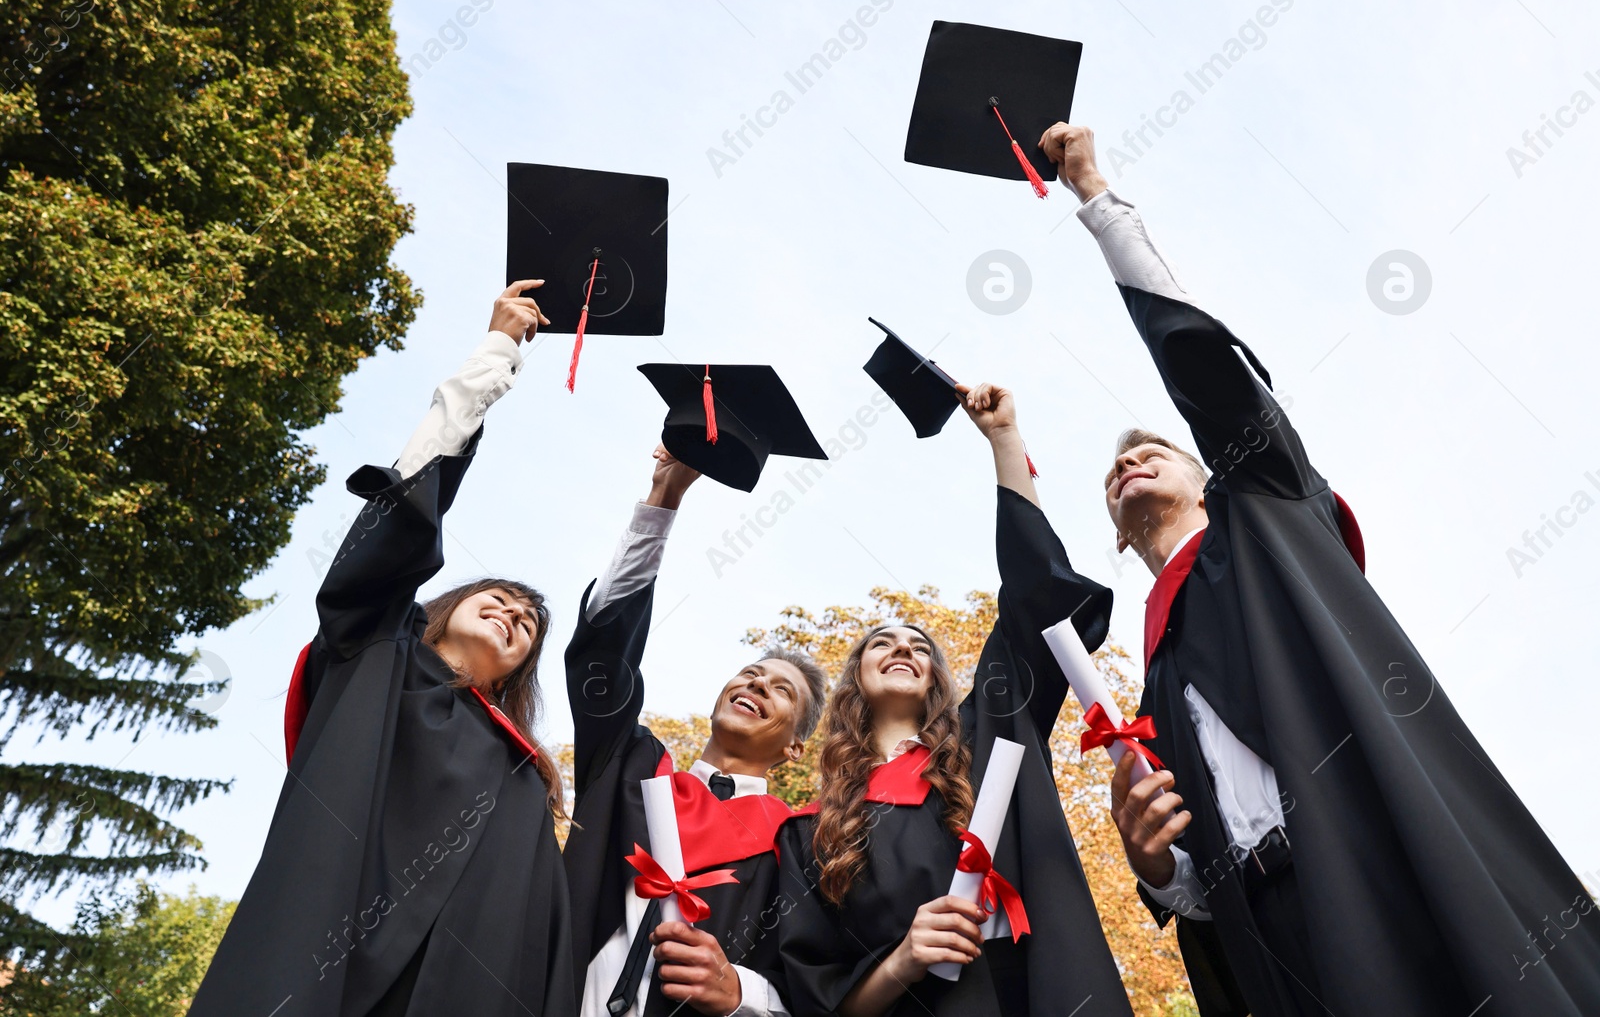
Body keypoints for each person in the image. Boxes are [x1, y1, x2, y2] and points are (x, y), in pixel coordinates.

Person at [1040, 121, 1600, 1016]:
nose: (1130, 463)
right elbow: (1197, 884)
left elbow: (1209, 375)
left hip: (1392, 863)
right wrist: (1155, 862)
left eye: (1157, 450)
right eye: (1114, 471)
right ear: (1113, 532)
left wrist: (1097, 200)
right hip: (1282, 939)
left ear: (1209, 471)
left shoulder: (1264, 514)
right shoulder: (1153, 690)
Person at [192, 281, 578, 1017]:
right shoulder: (376, 650)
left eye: (527, 622)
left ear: (520, 673)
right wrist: (493, 354)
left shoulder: (525, 774)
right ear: (441, 607)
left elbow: (543, 933)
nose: (513, 610)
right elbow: (398, 522)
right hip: (322, 964)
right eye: (495, 595)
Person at [774, 386, 1133, 1017]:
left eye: (920, 645)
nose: (903, 647)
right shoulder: (812, 833)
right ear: (855, 678)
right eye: (881, 642)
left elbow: (1032, 598)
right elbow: (819, 995)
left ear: (939, 679)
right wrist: (904, 957)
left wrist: (1004, 441)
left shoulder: (987, 734)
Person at [562, 446, 828, 1017]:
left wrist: (743, 993)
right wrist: (663, 501)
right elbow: (604, 661)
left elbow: (817, 979)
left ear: (795, 748)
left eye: (781, 690)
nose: (756, 685)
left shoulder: (798, 843)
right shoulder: (631, 769)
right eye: (750, 674)